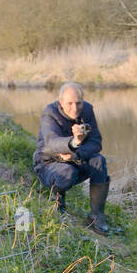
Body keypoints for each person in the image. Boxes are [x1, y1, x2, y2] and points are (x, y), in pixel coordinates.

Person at [33, 82, 110, 235]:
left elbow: (96, 142)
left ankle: (96, 216)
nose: (75, 108)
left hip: (76, 158)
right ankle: (57, 204)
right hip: (49, 162)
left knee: (98, 161)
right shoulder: (49, 113)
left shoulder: (87, 110)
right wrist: (75, 141)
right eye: (69, 103)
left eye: (78, 103)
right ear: (60, 102)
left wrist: (76, 153)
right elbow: (51, 143)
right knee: (66, 172)